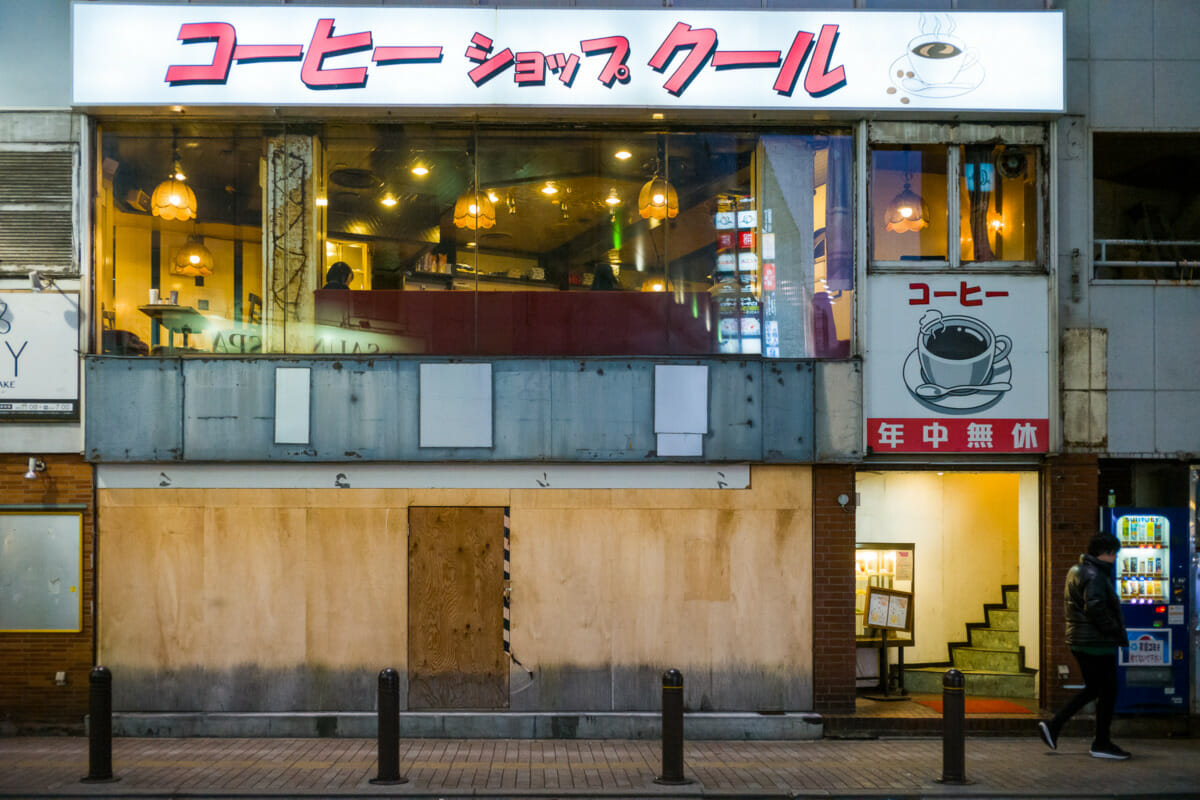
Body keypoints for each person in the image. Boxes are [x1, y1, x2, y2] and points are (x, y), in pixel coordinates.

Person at [1038, 531, 1130, 760]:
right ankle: (1100, 742)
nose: (1115, 558)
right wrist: (1115, 630)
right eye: (1113, 553)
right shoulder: (1096, 574)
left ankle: (1056, 726)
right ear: (1105, 553)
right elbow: (1096, 607)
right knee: (1107, 691)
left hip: (1081, 640)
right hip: (1096, 643)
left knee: (1095, 689)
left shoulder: (1077, 569)